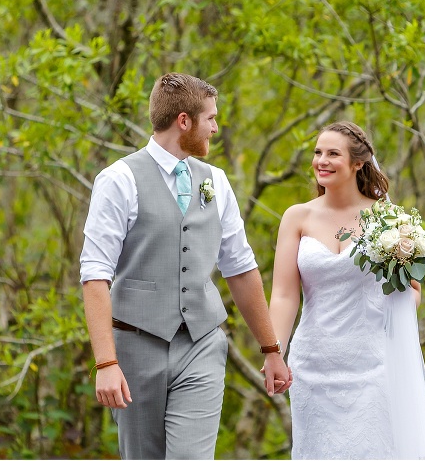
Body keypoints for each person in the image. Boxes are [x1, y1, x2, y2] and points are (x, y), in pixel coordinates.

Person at [79, 73, 292, 460]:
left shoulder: (217, 182)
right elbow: (95, 276)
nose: (215, 127)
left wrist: (271, 348)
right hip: (135, 346)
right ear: (183, 121)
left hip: (202, 344)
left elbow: (241, 269)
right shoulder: (118, 180)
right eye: (210, 118)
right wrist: (106, 362)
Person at [269, 121, 425, 459]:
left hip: (372, 362)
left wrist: (392, 312)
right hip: (313, 363)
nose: (322, 160)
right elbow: (284, 295)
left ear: (358, 163)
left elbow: (413, 290)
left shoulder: (388, 219)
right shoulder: (296, 217)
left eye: (333, 153)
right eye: (318, 152)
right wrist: (274, 351)